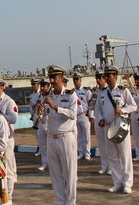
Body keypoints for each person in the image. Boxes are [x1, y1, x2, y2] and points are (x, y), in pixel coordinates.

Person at [95, 65, 136, 194]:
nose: (106, 78)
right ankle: (117, 182)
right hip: (108, 126)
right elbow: (98, 109)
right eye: (105, 76)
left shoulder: (123, 90)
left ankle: (127, 183)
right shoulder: (102, 92)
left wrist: (123, 110)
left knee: (125, 155)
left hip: (121, 125)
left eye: (109, 75)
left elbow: (133, 106)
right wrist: (100, 118)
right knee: (112, 156)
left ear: (115, 76)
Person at [44, 65, 78, 205]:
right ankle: (60, 202)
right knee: (55, 175)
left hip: (66, 137)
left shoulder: (71, 95)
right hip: (51, 138)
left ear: (60, 78)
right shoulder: (48, 96)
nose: (51, 81)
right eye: (50, 78)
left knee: (69, 174)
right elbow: (46, 117)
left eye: (54, 78)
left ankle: (70, 202)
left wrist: (56, 108)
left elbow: (72, 114)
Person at [0, 76, 18, 202]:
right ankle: (1, 194)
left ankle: (8, 196)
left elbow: (13, 118)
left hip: (7, 140)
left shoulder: (8, 101)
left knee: (9, 170)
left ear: (2, 87)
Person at [90, 70, 110, 175]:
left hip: (107, 121)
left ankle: (111, 166)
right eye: (97, 78)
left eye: (100, 78)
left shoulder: (108, 91)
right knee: (102, 145)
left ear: (104, 79)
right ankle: (104, 165)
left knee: (109, 145)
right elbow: (95, 108)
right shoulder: (96, 91)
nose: (98, 80)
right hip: (99, 120)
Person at [73, 73, 92, 160]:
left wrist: (91, 115)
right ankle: (80, 152)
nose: (75, 81)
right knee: (78, 135)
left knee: (86, 135)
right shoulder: (72, 92)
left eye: (77, 79)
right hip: (76, 115)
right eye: (74, 79)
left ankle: (87, 153)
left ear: (81, 80)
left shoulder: (86, 91)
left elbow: (90, 103)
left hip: (84, 115)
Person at [35, 79, 50, 171]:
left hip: (49, 123)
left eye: (43, 86)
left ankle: (52, 164)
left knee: (51, 146)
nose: (41, 88)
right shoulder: (40, 96)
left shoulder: (52, 96)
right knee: (42, 145)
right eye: (41, 86)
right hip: (41, 122)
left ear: (48, 87)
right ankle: (44, 163)